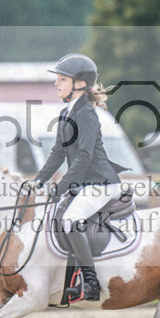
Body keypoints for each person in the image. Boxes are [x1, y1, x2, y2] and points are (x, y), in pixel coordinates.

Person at [32, 54, 127, 301]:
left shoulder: (86, 114)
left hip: (101, 183)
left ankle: (92, 283)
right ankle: (70, 280)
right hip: (86, 184)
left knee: (70, 220)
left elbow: (83, 158)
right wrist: (37, 182)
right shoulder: (66, 113)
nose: (56, 84)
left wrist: (61, 187)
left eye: (62, 79)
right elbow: (57, 154)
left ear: (80, 84)